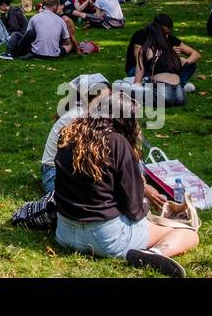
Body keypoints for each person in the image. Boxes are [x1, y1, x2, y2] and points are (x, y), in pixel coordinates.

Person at [53, 94, 196, 277]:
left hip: (64, 231)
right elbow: (134, 209)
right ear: (127, 122)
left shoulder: (69, 134)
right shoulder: (117, 143)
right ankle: (154, 254)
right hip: (105, 238)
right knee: (189, 233)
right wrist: (150, 208)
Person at [39, 73, 111, 193]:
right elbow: (84, 157)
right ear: (87, 100)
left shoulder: (97, 114)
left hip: (79, 169)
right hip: (55, 172)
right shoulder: (76, 117)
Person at [126, 15, 201, 107]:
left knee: (126, 90)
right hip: (180, 97)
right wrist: (173, 58)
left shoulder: (151, 48)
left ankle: (147, 83)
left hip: (161, 91)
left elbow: (195, 54)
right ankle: (180, 86)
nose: (166, 35)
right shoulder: (141, 36)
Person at [0, 0, 71, 60]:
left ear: (45, 5)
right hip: (54, 55)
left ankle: (10, 53)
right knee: (70, 44)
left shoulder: (35, 17)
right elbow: (67, 41)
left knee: (16, 34)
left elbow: (28, 36)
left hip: (36, 53)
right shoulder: (60, 20)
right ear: (55, 6)